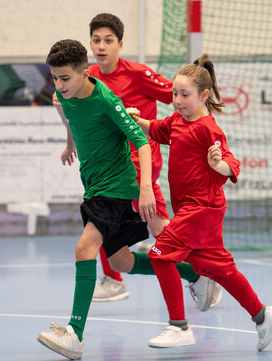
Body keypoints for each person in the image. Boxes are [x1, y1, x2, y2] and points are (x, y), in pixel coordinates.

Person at [54, 13, 222, 310]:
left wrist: (192, 127)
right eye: (96, 40)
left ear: (120, 44)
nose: (101, 46)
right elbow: (73, 115)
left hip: (141, 167)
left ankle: (204, 274)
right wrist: (69, 143)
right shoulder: (83, 76)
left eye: (108, 40)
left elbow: (179, 96)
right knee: (106, 223)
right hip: (113, 168)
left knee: (162, 232)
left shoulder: (136, 74)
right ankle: (117, 278)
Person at [127, 54, 272, 350]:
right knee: (216, 268)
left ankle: (179, 326)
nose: (177, 100)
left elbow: (231, 163)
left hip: (202, 208)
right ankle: (264, 316)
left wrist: (218, 165)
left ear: (204, 95)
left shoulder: (208, 128)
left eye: (184, 94)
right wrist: (139, 120)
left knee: (160, 255)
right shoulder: (177, 121)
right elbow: (156, 129)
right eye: (174, 93)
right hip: (190, 209)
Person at [37, 39, 156, 360]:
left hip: (115, 187)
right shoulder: (64, 97)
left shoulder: (105, 99)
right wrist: (69, 143)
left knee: (84, 249)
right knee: (121, 262)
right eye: (54, 77)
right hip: (94, 188)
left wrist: (146, 187)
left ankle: (74, 333)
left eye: (64, 78)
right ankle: (193, 275)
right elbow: (68, 114)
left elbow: (141, 141)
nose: (58, 85)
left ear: (83, 72)